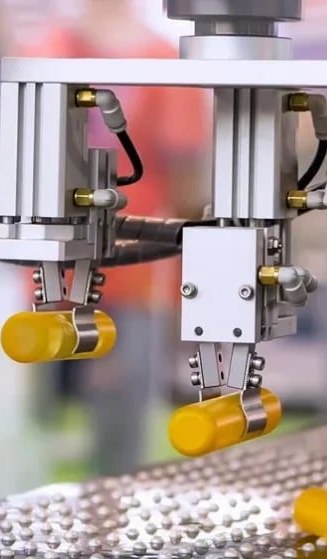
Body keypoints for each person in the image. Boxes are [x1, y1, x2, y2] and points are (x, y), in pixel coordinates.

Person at [16, 0, 209, 475]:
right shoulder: (56, 51)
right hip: (108, 267)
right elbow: (190, 187)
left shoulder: (47, 53)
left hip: (93, 273)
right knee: (84, 424)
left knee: (85, 424)